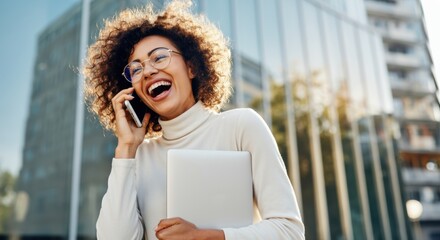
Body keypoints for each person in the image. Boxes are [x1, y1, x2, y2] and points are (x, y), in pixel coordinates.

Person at [83, 0, 305, 239]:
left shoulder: (241, 126)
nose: (147, 72)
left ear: (191, 67)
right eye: (135, 69)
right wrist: (126, 148)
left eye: (158, 58)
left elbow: (289, 231)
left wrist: (205, 236)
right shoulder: (138, 156)